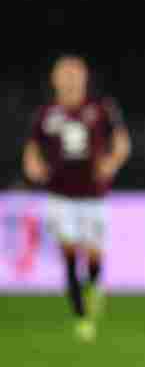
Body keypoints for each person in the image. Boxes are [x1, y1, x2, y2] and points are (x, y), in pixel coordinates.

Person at [22, 55, 131, 341]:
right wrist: (33, 166)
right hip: (59, 195)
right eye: (64, 74)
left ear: (84, 78)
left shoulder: (101, 109)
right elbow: (32, 150)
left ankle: (93, 286)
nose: (69, 79)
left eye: (75, 74)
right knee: (69, 251)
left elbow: (121, 142)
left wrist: (111, 162)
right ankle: (82, 316)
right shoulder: (46, 114)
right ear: (55, 79)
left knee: (94, 255)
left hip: (93, 196)